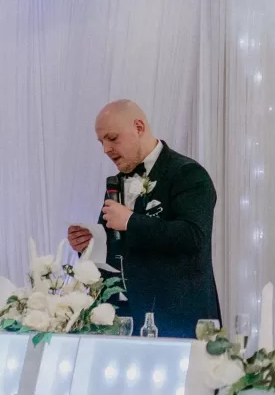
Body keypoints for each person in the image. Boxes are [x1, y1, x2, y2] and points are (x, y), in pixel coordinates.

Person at [67, 100, 221, 339]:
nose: (106, 149)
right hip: (126, 322)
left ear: (139, 127)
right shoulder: (117, 183)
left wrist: (131, 222)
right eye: (102, 142)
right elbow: (118, 249)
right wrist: (90, 246)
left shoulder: (188, 174)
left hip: (179, 322)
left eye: (112, 138)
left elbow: (194, 236)